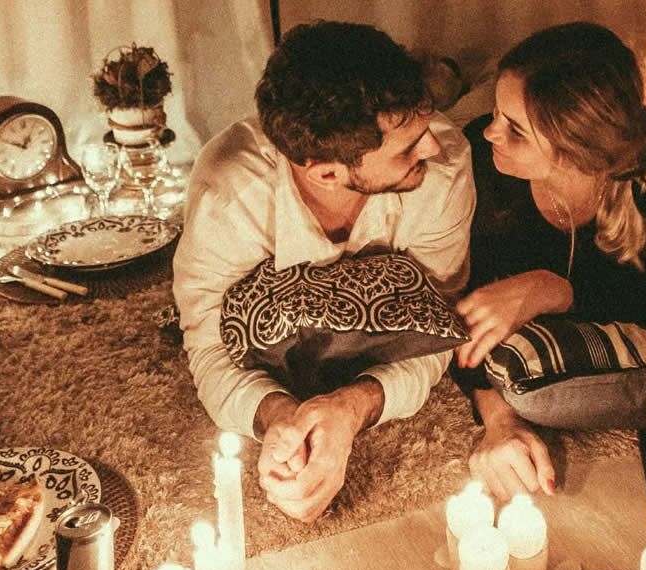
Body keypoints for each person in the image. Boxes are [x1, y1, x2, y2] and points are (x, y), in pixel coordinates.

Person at [174, 21, 474, 522]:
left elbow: (440, 325)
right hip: (271, 325)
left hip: (386, 319)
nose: (430, 149)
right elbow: (207, 347)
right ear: (326, 173)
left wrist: (352, 407)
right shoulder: (230, 196)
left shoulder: (443, 168)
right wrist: (279, 418)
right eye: (406, 149)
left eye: (423, 128)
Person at [453, 22, 646, 501]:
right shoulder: (478, 165)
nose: (491, 132)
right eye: (495, 112)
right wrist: (500, 420)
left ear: (577, 147)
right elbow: (458, 323)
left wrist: (554, 289)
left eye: (515, 129)